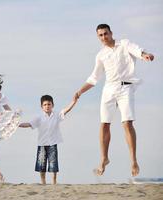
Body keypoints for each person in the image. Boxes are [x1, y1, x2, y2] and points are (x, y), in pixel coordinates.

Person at [74, 24, 154, 177]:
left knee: (127, 122)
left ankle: (133, 160)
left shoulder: (124, 44)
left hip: (126, 88)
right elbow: (94, 78)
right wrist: (80, 91)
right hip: (109, 89)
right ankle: (104, 158)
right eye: (100, 35)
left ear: (111, 33)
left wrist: (145, 54)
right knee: (104, 124)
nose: (104, 37)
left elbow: (137, 50)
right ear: (98, 37)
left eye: (105, 34)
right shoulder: (100, 55)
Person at [19, 95, 77, 184]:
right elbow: (29, 124)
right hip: (42, 144)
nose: (47, 106)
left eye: (49, 104)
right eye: (45, 105)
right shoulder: (38, 117)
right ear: (42, 106)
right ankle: (43, 183)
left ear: (52, 105)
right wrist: (17, 124)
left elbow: (66, 110)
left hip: (52, 143)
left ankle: (54, 182)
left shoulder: (56, 115)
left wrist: (73, 102)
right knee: (41, 165)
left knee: (53, 164)